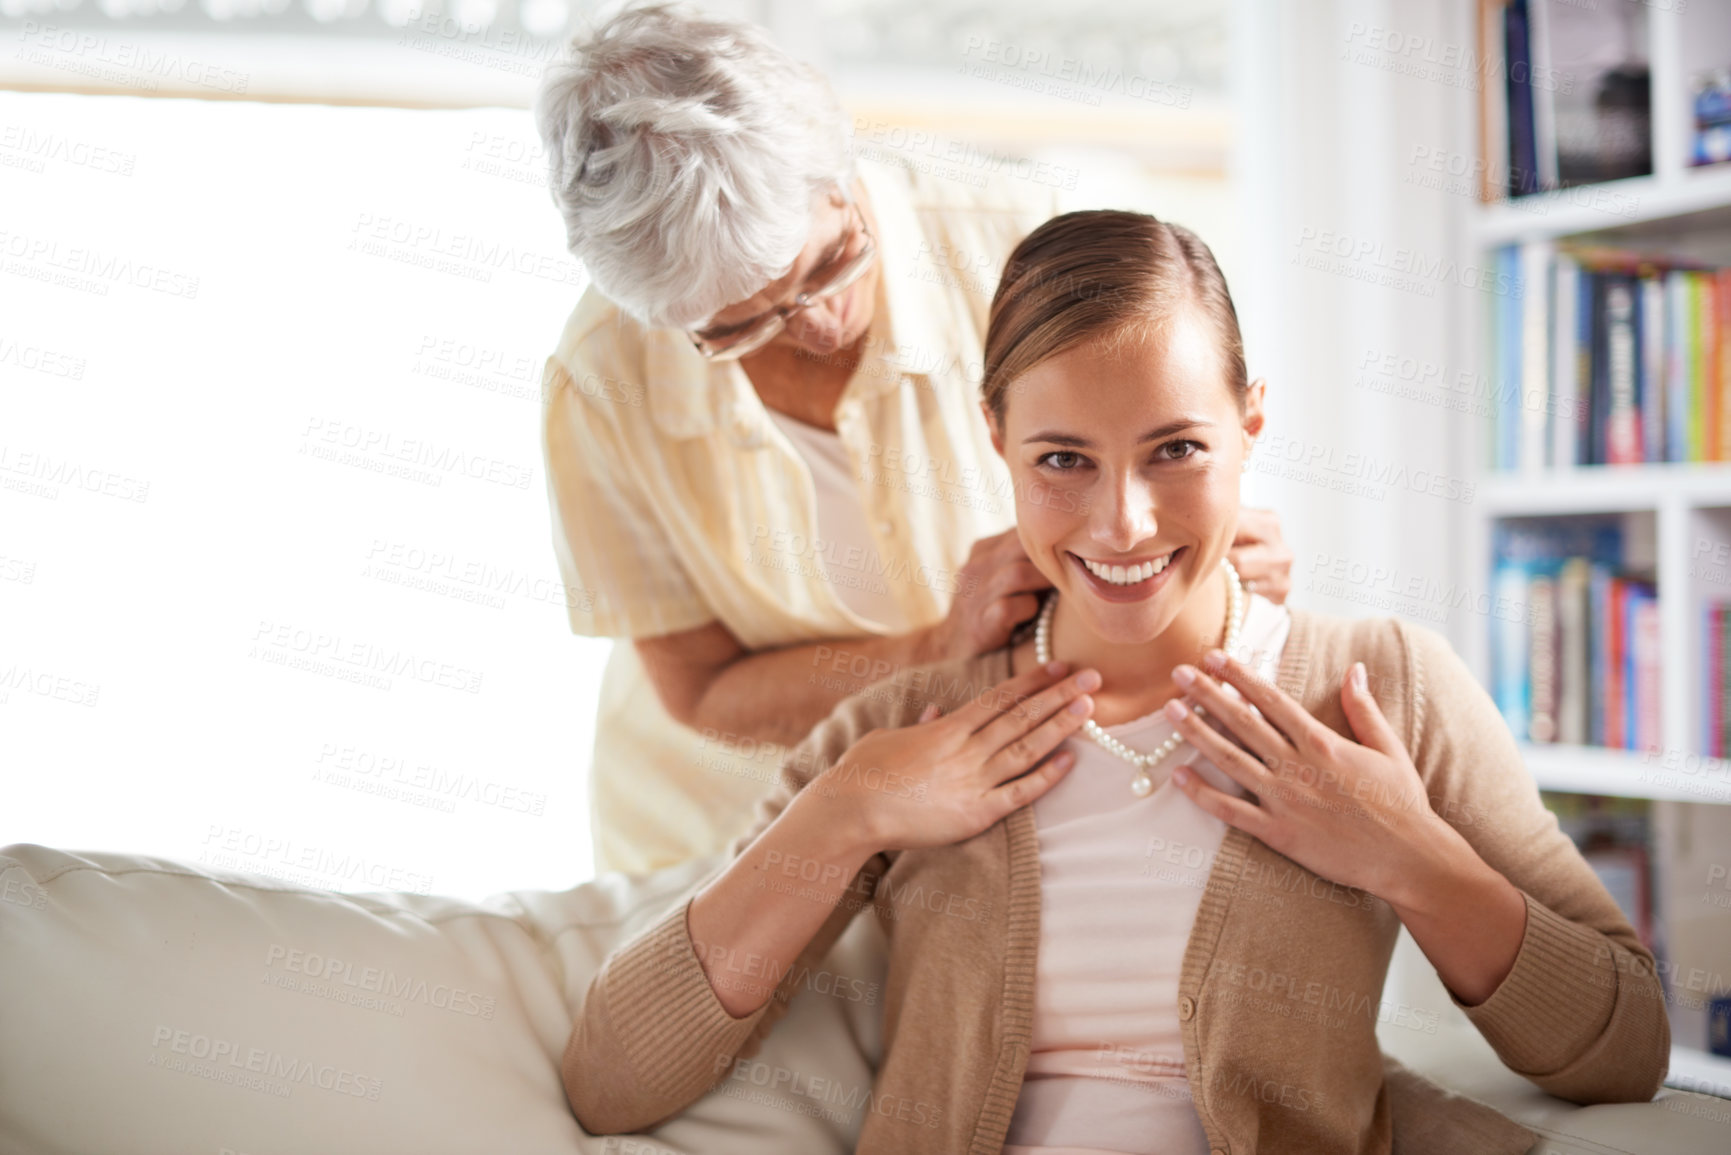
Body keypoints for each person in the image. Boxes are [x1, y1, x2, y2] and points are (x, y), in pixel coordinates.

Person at [557, 210, 1669, 1154]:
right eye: (1063, 461)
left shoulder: (1382, 686)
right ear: (997, 441)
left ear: (1251, 422)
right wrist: (850, 810)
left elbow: (1624, 1051)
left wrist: (1412, 859)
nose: (1122, 521)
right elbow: (616, 1076)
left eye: (1176, 449)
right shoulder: (900, 728)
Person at [531, 2, 1295, 876]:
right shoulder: (600, 377)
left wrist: (1204, 552)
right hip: (713, 836)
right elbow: (699, 685)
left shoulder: (1022, 246)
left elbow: (1152, 468)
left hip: (987, 831)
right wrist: (930, 650)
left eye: (829, 262)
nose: (815, 324)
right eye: (742, 327)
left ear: (839, 168)